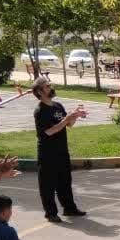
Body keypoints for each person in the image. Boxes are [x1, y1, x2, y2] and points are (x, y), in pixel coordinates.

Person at [32, 79, 88, 223]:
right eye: (47, 86)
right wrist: (66, 120)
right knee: (48, 185)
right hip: (47, 153)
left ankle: (69, 208)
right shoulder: (40, 110)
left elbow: (69, 125)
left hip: (62, 151)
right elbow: (49, 131)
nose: (51, 88)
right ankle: (50, 213)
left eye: (50, 85)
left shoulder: (57, 106)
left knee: (65, 181)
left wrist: (75, 116)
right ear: (39, 92)